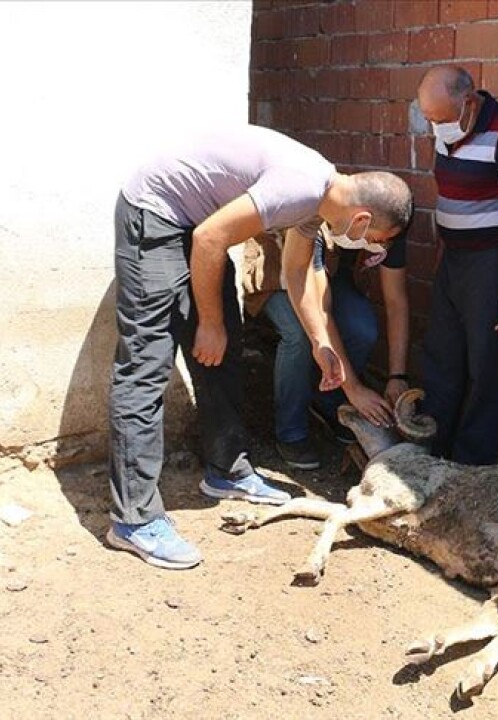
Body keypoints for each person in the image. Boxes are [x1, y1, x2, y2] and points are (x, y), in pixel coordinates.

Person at [108, 124, 412, 570]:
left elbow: (294, 275)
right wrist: (208, 322)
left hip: (194, 225)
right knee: (146, 364)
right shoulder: (300, 188)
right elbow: (210, 239)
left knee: (224, 351)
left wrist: (320, 344)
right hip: (154, 213)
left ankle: (226, 470)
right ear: (362, 220)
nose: (367, 247)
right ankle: (133, 519)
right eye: (374, 240)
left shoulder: (321, 200)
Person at [415, 65, 498, 465]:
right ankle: (432, 449)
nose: (436, 127)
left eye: (441, 118)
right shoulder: (445, 130)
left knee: (485, 363)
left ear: (468, 103)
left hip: (492, 261)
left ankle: (471, 459)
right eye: (430, 119)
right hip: (453, 257)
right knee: (442, 354)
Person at [242, 226, 411, 469]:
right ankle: (291, 431)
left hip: (326, 269)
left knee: (361, 329)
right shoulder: (315, 217)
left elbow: (396, 300)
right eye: (376, 238)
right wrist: (354, 389)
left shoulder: (393, 219)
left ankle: (327, 402)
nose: (379, 244)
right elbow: (321, 314)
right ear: (362, 217)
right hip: (275, 267)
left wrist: (397, 376)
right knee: (299, 334)